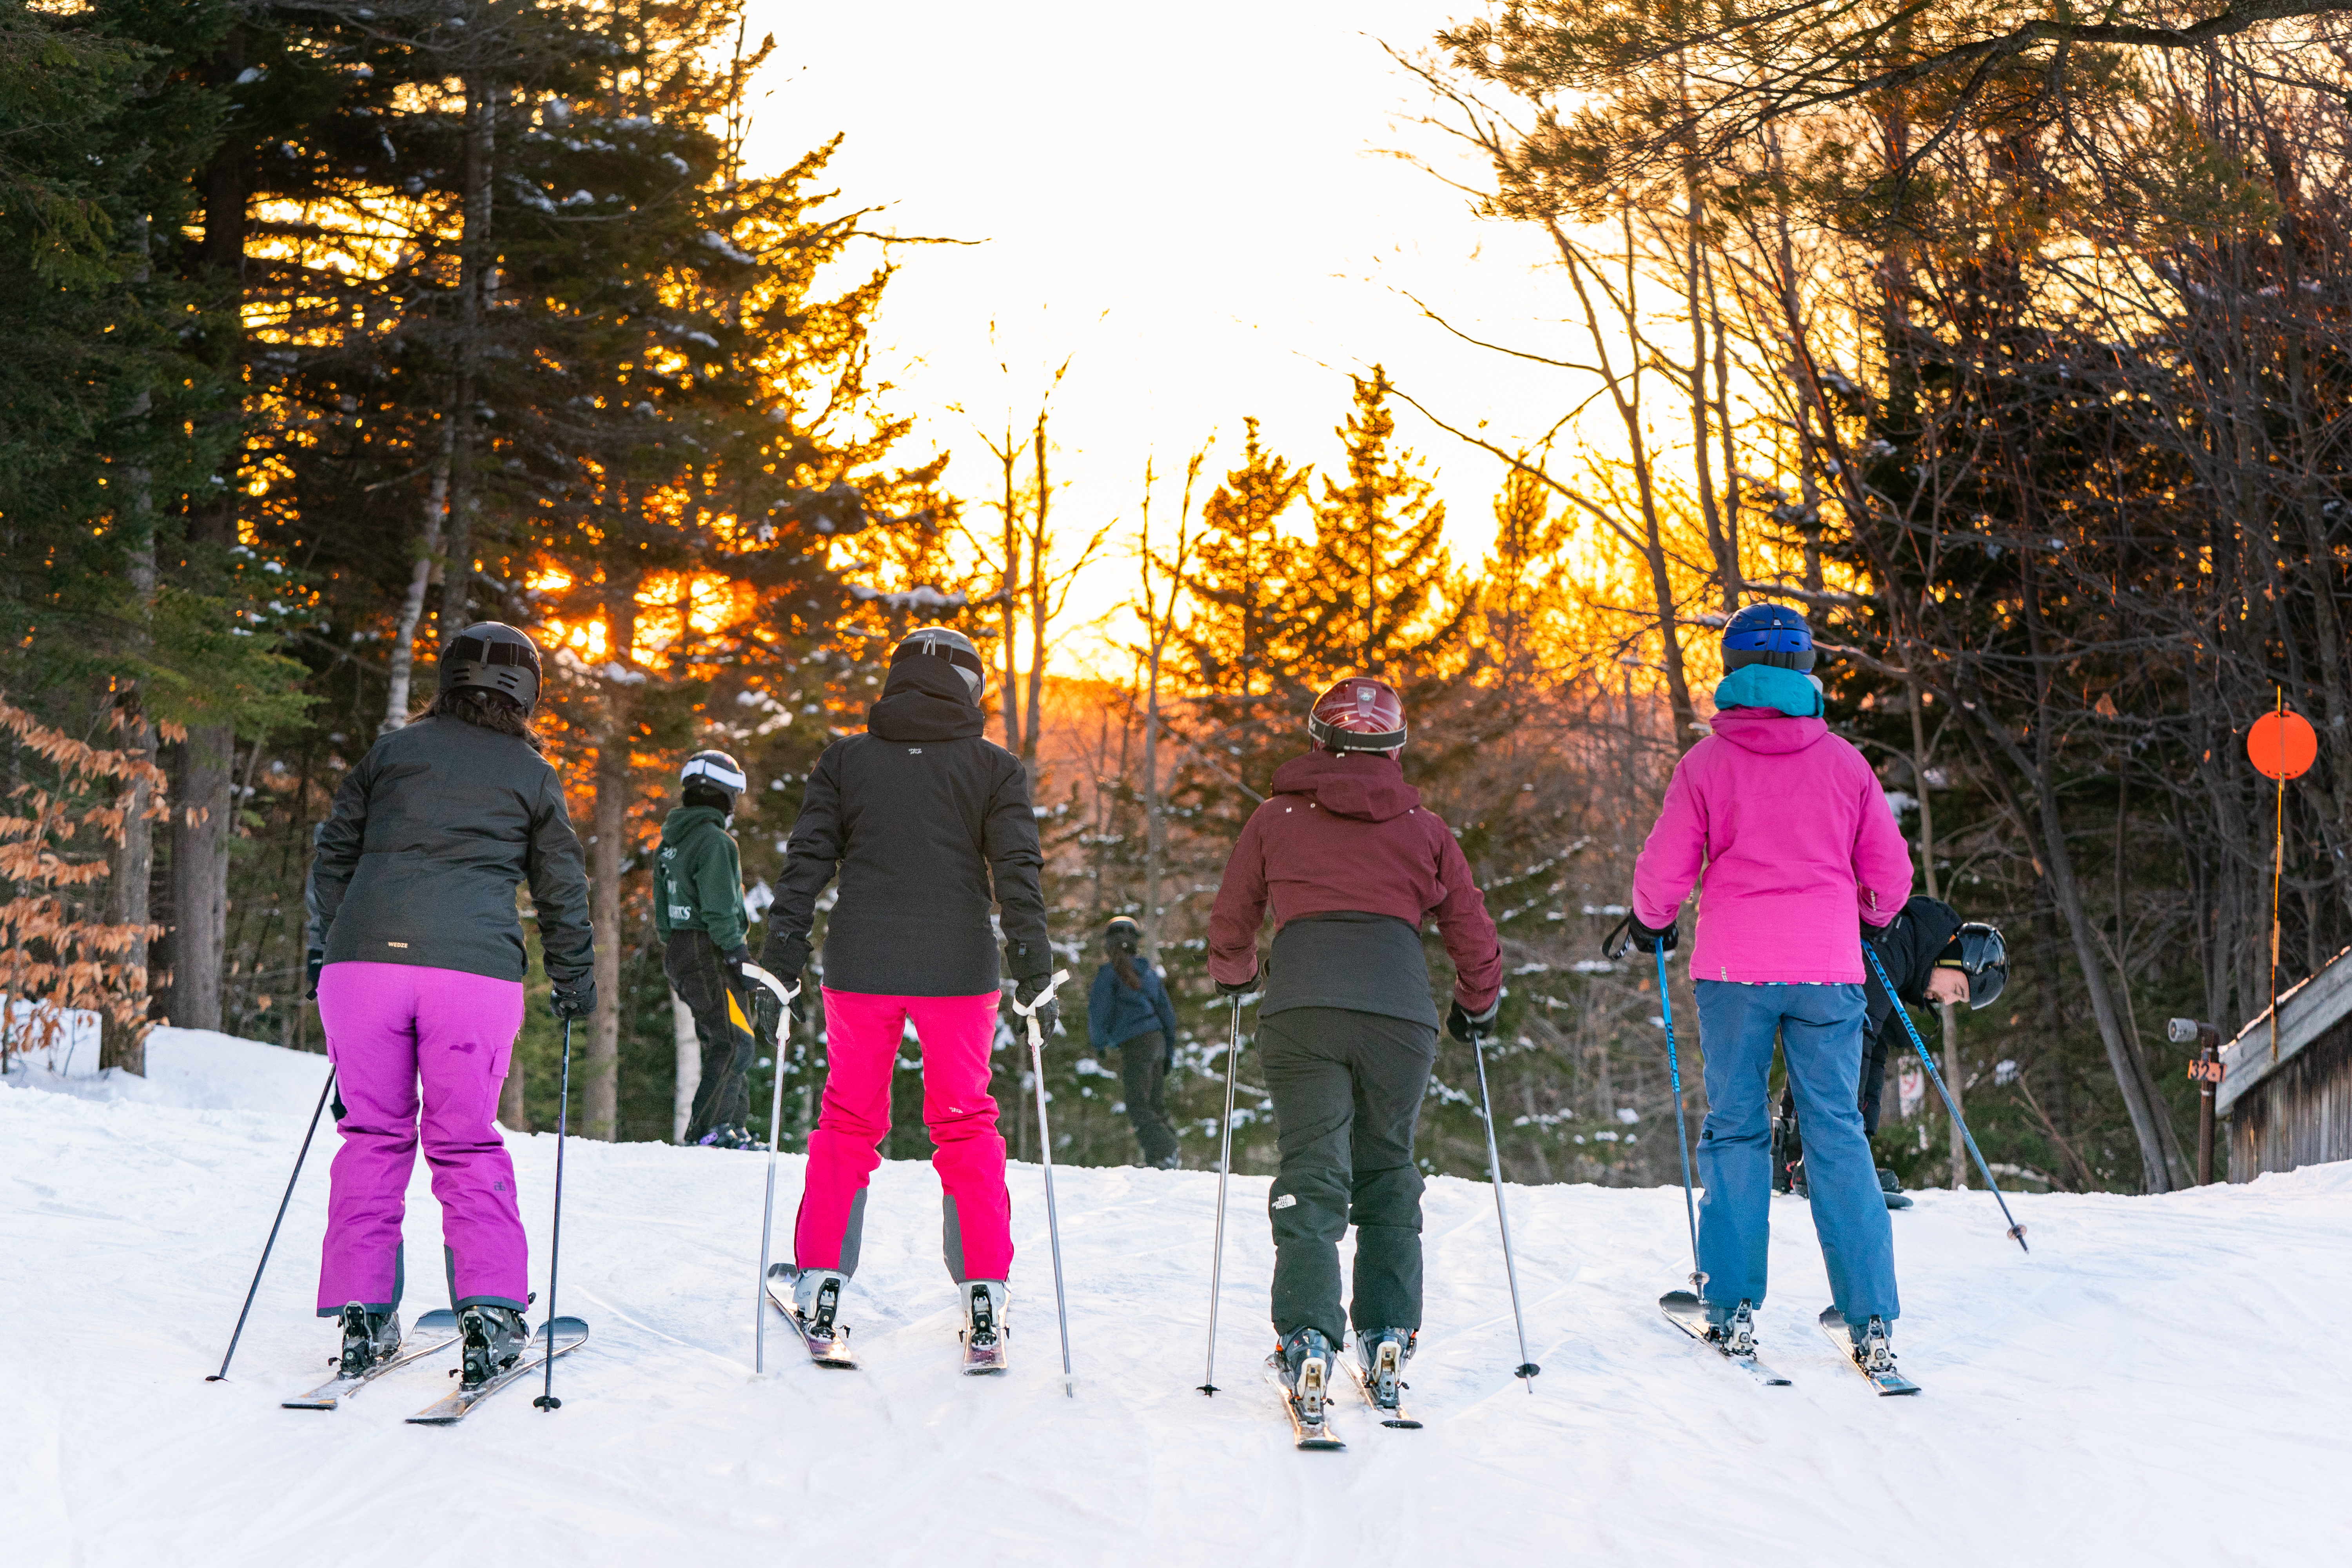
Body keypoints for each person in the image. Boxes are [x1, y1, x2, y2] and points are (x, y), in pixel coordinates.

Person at [303, 622, 596, 1387]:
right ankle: (492, 1315)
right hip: (470, 973)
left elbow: (333, 853)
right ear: (527, 690)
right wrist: (574, 978)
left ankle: (363, 1316)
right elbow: (561, 886)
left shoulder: (392, 753)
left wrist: (324, 951)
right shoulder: (530, 774)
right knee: (465, 1140)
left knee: (371, 1133)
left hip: (362, 962)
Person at [1626, 603, 1916, 1374]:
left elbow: (1662, 876)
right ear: (1806, 671)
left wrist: (1651, 920)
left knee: (1737, 1126)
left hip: (1734, 971)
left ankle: (1729, 1307)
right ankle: (1872, 1317)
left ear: (1732, 671)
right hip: (1828, 971)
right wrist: (1867, 914)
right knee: (1836, 1131)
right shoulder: (1845, 765)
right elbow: (1889, 878)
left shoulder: (1706, 765)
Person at [1206, 675, 1502, 1417]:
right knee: (1388, 1164)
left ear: (1319, 741)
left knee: (1314, 1165)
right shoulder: (1425, 829)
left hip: (1303, 1005)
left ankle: (1309, 1334)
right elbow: (1471, 928)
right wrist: (1478, 1002)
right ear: (1395, 748)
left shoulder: (1275, 817)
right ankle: (1387, 1331)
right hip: (1399, 1015)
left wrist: (1235, 976)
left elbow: (1232, 918)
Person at [758, 625, 1053, 1357]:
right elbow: (1017, 868)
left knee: (850, 1121)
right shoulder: (994, 768)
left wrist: (780, 959)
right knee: (966, 1123)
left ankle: (821, 1280)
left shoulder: (846, 761)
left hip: (863, 964)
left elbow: (806, 865)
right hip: (959, 968)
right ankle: (984, 1292)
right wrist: (1033, 965)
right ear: (971, 688)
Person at [1774, 898, 2007, 1207]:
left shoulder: (1909, 954)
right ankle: (1822, 1162)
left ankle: (1791, 1156)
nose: (1947, 1001)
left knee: (1864, 1041)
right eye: (1958, 990)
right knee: (1845, 1042)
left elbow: (1876, 1048)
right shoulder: (1896, 945)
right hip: (1787, 968)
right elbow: (1853, 1044)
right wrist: (1845, 1152)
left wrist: (1862, 1141)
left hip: (1808, 985)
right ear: (1953, 959)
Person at [655, 749, 762, 1149]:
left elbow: (664, 916)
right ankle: (711, 1130)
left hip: (683, 952)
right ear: (727, 794)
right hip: (710, 949)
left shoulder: (669, 845)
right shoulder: (716, 842)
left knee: (730, 1036)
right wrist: (737, 953)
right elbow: (719, 908)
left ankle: (732, 1127)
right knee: (735, 1040)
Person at [1087, 916, 1182, 1169]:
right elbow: (1168, 1016)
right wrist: (1169, 1053)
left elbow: (1099, 1013)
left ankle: (1166, 1151)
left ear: (1109, 945)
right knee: (1154, 1103)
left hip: (1136, 1044)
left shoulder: (1108, 975)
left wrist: (1099, 1044)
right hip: (1158, 1041)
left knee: (1138, 1104)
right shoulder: (1149, 974)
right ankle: (1163, 1158)